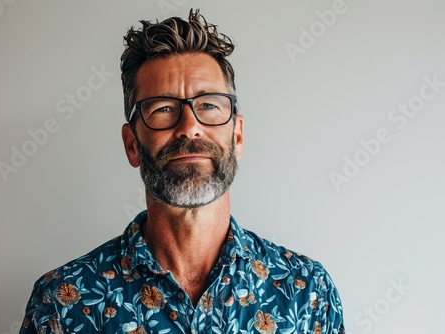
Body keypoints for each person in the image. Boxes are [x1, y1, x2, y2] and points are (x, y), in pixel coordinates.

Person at [20, 9, 345, 334]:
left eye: (209, 105)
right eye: (163, 108)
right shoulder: (62, 305)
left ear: (238, 135)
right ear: (132, 143)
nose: (189, 127)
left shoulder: (308, 295)